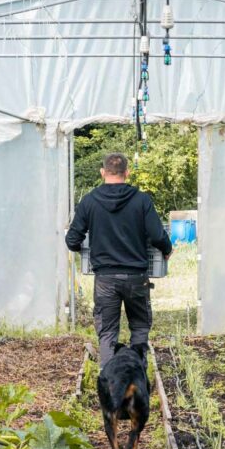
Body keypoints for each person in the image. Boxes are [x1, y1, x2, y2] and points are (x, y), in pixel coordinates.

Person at [66, 152, 173, 367]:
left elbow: (72, 240)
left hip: (105, 279)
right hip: (136, 277)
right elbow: (156, 234)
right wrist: (167, 249)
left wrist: (81, 247)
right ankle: (137, 377)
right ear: (127, 172)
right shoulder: (142, 200)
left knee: (107, 333)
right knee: (140, 328)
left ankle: (108, 381)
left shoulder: (89, 201)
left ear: (103, 172)